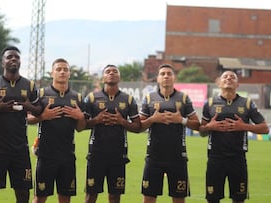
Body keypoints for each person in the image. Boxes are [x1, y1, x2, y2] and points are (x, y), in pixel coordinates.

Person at [0, 46, 42, 203]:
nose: (13, 59)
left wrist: (29, 107)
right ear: (2, 62)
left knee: (23, 195)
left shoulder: (29, 86)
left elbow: (40, 109)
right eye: (9, 57)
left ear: (20, 62)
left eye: (16, 57)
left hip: (20, 149)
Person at [199, 70, 269, 203]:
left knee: (239, 199)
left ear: (238, 84)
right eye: (225, 77)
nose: (229, 79)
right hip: (215, 158)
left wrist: (244, 127)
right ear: (219, 83)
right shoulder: (209, 103)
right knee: (212, 199)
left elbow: (265, 129)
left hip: (238, 159)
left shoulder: (247, 104)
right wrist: (209, 127)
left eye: (233, 77)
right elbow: (202, 131)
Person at [139, 63, 200, 203]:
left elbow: (198, 125)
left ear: (174, 78)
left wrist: (181, 120)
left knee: (178, 199)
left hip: (178, 157)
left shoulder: (183, 98)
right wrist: (152, 119)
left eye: (169, 74)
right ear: (158, 79)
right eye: (162, 74)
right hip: (154, 156)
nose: (166, 76)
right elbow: (138, 127)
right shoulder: (149, 98)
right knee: (148, 198)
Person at [28, 58, 86, 203]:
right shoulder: (41, 94)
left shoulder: (77, 97)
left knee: (65, 198)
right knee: (40, 197)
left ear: (69, 74)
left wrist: (80, 117)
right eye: (58, 69)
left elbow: (80, 128)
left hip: (67, 155)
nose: (62, 72)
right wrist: (42, 116)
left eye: (65, 69)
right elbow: (28, 118)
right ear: (52, 73)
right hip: (46, 154)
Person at [84, 64, 141, 203]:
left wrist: (122, 121)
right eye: (108, 72)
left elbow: (138, 127)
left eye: (115, 71)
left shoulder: (128, 100)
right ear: (103, 77)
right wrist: (96, 120)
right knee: (91, 195)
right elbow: (81, 125)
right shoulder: (91, 98)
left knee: (115, 196)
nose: (111, 73)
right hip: (96, 153)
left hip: (118, 154)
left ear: (119, 77)